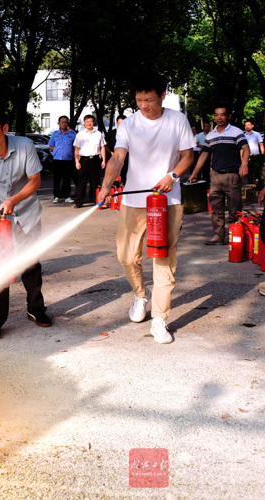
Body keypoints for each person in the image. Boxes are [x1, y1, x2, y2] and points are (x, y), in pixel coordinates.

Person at [97, 73, 194, 344]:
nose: (144, 106)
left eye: (149, 99)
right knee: (127, 257)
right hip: (133, 200)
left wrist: (172, 176)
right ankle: (141, 295)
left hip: (166, 201)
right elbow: (118, 158)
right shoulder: (129, 124)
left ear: (162, 95)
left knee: (163, 260)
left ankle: (160, 319)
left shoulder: (177, 120)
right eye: (139, 100)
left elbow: (188, 156)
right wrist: (106, 185)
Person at [0, 108, 51, 341]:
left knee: (31, 263)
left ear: (5, 128)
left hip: (27, 212)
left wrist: (14, 199)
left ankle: (35, 309)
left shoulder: (25, 146)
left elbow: (35, 181)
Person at [188, 107, 250, 245]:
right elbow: (204, 154)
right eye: (216, 115)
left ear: (229, 116)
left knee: (235, 209)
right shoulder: (211, 135)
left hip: (232, 175)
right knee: (216, 208)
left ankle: (236, 236)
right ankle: (218, 236)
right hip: (215, 176)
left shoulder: (236, 132)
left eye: (222, 115)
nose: (219, 117)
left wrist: (244, 164)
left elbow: (246, 148)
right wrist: (194, 172)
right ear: (214, 117)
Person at [73, 115, 106, 208]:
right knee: (82, 181)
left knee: (95, 181)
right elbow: (77, 149)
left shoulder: (99, 134)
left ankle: (96, 200)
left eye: (91, 121)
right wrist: (77, 161)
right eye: (87, 121)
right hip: (84, 159)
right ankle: (79, 202)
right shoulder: (80, 135)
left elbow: (102, 147)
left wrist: (104, 160)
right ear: (84, 123)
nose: (89, 123)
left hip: (95, 159)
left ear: (94, 122)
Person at [48, 116, 77, 203]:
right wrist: (57, 151)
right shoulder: (55, 134)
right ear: (59, 123)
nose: (64, 124)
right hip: (57, 159)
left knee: (67, 179)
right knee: (57, 178)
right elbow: (51, 145)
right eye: (62, 122)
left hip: (68, 159)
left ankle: (67, 196)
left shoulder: (72, 134)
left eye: (65, 122)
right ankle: (56, 196)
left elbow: (76, 146)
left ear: (67, 123)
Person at [105, 115, 128, 185]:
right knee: (114, 175)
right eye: (119, 123)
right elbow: (105, 146)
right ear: (116, 123)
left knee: (125, 174)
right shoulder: (111, 133)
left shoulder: (128, 133)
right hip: (114, 157)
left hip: (126, 157)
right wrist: (110, 152)